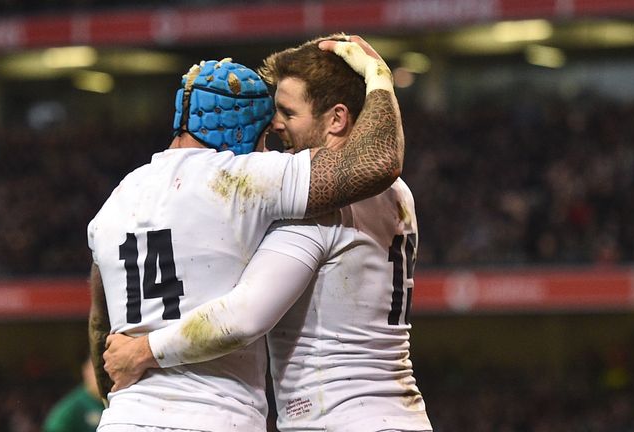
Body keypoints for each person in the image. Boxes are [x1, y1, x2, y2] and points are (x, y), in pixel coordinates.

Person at [102, 35, 432, 432]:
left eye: (288, 113)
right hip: (398, 412)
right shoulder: (399, 194)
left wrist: (143, 350)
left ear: (337, 119)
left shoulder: (321, 206)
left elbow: (243, 316)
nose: (274, 126)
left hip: (338, 417)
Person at [42, 358, 104, 432]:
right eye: (98, 372)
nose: (103, 377)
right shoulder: (73, 406)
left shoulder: (113, 400)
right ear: (86, 372)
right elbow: (53, 426)